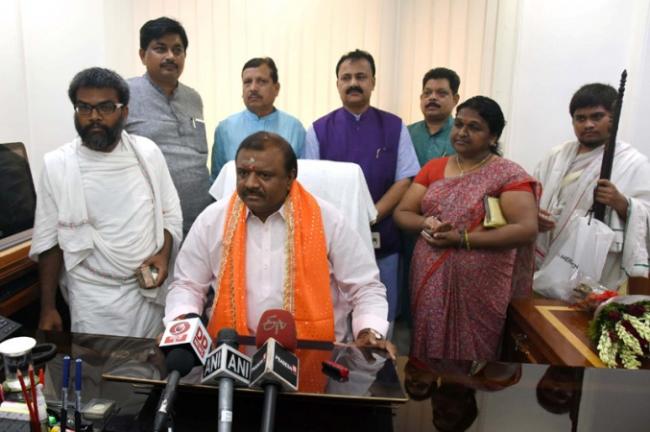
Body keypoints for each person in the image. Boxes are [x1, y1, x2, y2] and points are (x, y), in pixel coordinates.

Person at [166, 131, 395, 357]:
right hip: (229, 357)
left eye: (264, 175)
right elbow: (188, 285)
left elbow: (365, 287)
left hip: (316, 356)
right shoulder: (212, 219)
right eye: (243, 173)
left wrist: (368, 330)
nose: (250, 183)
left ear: (290, 177)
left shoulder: (327, 220)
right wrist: (182, 326)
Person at [29, 67, 182, 338]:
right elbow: (48, 240)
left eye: (106, 107)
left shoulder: (147, 154)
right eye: (84, 108)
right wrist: (48, 307)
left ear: (124, 112)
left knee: (149, 362)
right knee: (94, 363)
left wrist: (163, 255)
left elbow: (170, 214)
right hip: (92, 297)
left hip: (146, 292)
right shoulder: (57, 165)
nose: (94, 117)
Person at [394, 96, 539, 361]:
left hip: (483, 283)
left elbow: (526, 228)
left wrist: (462, 238)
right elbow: (403, 213)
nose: (462, 132)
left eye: (474, 127)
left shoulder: (507, 174)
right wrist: (426, 222)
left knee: (477, 354)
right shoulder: (434, 167)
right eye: (459, 124)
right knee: (428, 344)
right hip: (431, 272)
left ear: (493, 137)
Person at [305, 49, 420, 327]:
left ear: (373, 82)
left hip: (382, 238)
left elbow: (404, 179)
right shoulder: (318, 129)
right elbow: (310, 186)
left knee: (380, 318)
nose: (353, 83)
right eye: (346, 78)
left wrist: (369, 215)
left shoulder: (395, 126)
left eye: (361, 77)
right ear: (337, 84)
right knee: (335, 319)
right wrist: (344, 222)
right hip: (332, 240)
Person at [534, 83, 650, 295]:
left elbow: (646, 214)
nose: (588, 124)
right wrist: (534, 214)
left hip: (597, 263)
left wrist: (621, 203)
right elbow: (532, 195)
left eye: (597, 117)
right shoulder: (556, 155)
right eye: (580, 118)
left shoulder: (633, 162)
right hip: (543, 252)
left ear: (613, 119)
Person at [126, 17, 211, 234]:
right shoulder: (125, 94)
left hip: (199, 220)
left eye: (177, 50)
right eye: (160, 49)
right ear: (142, 55)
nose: (170, 56)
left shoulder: (193, 98)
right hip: (151, 223)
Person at [210, 57, 305, 180]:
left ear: (276, 89)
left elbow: (302, 178)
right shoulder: (225, 129)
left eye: (261, 81)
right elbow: (217, 180)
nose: (253, 88)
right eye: (247, 82)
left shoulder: (294, 128)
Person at [408, 67, 461, 166]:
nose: (432, 97)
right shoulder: (407, 133)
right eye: (427, 93)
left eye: (441, 93)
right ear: (421, 98)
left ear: (455, 99)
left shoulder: (462, 135)